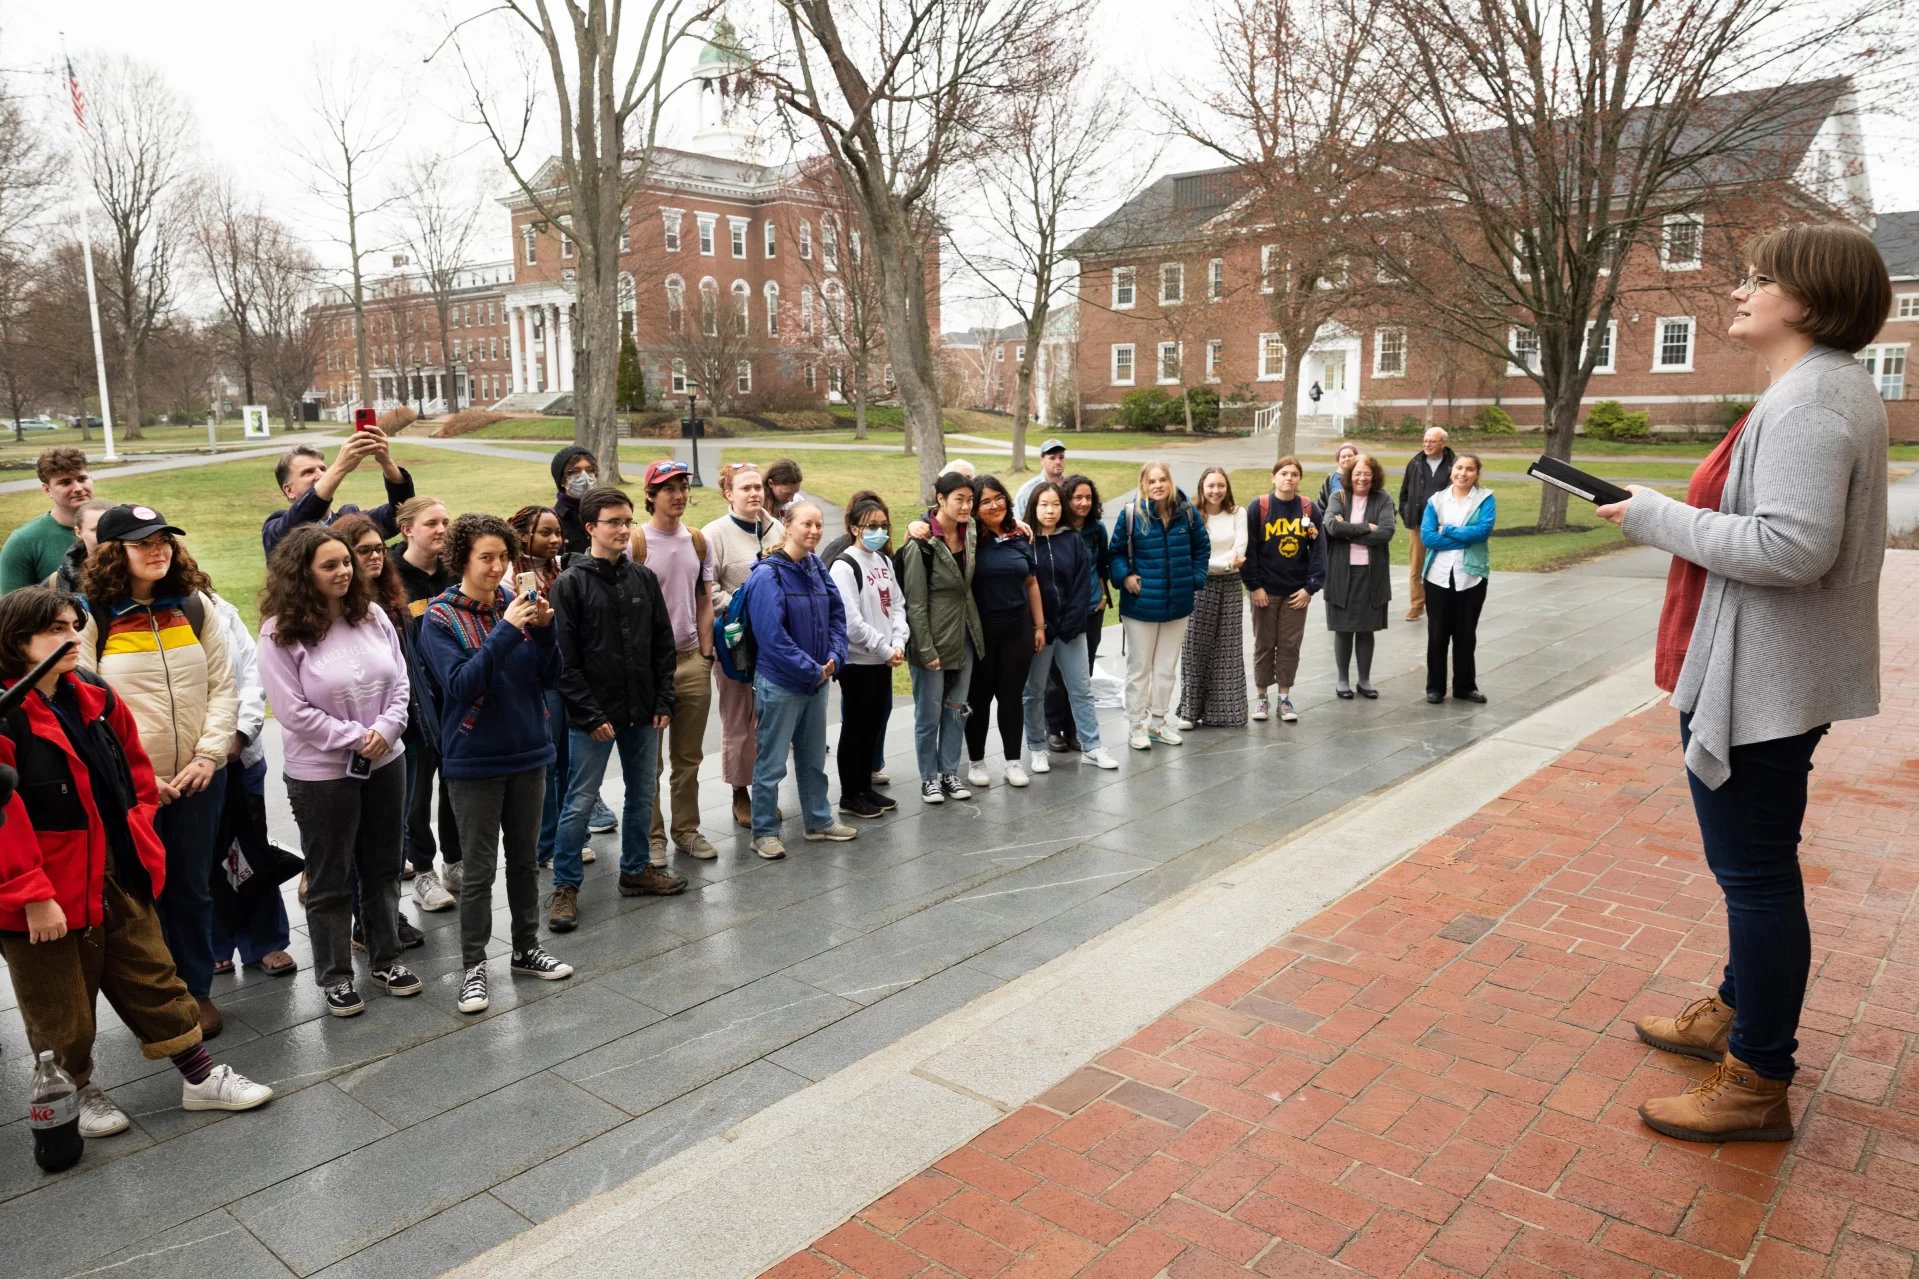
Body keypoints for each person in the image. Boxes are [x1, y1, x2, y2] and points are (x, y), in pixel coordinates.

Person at [1594, 224, 1890, 1143]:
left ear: (1806, 299)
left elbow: (1790, 547)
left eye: (1759, 279)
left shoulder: (1810, 403)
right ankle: (1734, 1008)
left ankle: (1758, 1076)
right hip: (1766, 668)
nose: (1738, 291)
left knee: (1756, 877)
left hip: (1762, 679)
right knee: (1756, 870)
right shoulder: (1816, 389)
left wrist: (1653, 518)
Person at [0, 587, 273, 1137]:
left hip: (114, 872)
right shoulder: (8, 716)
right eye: (55, 629)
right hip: (46, 891)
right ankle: (76, 1089)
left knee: (153, 973)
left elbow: (134, 769)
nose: (72, 636)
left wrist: (140, 827)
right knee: (60, 1003)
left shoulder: (92, 693)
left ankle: (199, 1078)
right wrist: (33, 896)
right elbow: (4, 818)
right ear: (16, 641)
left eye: (74, 624)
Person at [77, 505, 238, 1039]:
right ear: (112, 553)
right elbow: (85, 711)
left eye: (165, 539)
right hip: (129, 791)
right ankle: (153, 1000)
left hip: (196, 781)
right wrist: (138, 779)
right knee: (135, 899)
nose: (158, 549)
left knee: (192, 890)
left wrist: (208, 756)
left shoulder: (194, 607)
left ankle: (194, 992)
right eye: (143, 541)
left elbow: (224, 686)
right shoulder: (88, 617)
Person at [256, 526, 421, 1017]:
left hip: (388, 760)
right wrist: (357, 738)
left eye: (345, 562)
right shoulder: (279, 632)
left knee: (384, 865)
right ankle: (334, 977)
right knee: (330, 878)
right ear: (302, 574)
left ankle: (386, 957)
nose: (344, 571)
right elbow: (292, 711)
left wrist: (387, 731)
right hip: (323, 775)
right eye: (330, 565)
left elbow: (401, 682)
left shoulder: (371, 615)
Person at [417, 513, 572, 1015]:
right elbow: (461, 684)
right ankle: (474, 968)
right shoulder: (439, 618)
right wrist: (506, 631)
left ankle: (527, 949)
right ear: (462, 559)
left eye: (504, 557)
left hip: (529, 749)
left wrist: (546, 631)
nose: (497, 567)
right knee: (479, 871)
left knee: (526, 861)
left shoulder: (517, 605)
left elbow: (550, 675)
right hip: (474, 759)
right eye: (486, 558)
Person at [548, 486, 684, 931]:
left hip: (643, 711)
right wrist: (591, 715)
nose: (624, 529)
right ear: (590, 528)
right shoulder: (570, 584)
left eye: (628, 521)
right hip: (593, 718)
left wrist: (664, 698)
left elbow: (663, 645)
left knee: (643, 791)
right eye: (614, 522)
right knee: (579, 801)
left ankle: (635, 870)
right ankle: (565, 885)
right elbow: (563, 661)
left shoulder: (642, 577)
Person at [330, 514, 428, 954]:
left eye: (377, 549)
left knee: (393, 836)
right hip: (350, 745)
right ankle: (364, 922)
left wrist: (395, 725)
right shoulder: (340, 612)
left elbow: (402, 673)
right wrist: (367, 733)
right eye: (362, 551)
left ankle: (386, 916)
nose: (372, 557)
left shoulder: (386, 601)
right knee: (356, 842)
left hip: (401, 732)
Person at [742, 501, 855, 857]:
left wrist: (835, 657)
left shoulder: (816, 566)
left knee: (811, 758)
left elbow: (837, 615)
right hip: (781, 683)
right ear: (787, 526)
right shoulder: (767, 574)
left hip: (817, 681)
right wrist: (812, 669)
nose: (814, 531)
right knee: (772, 763)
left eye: (819, 525)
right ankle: (763, 832)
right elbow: (771, 637)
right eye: (807, 524)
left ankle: (819, 821)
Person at [205, 588, 297, 979]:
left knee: (249, 850)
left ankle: (264, 941)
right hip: (182, 764)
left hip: (239, 755)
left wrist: (239, 734)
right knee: (202, 858)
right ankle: (215, 942)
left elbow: (251, 672)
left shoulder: (214, 607)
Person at [630, 460, 718, 864]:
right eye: (669, 488)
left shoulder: (698, 541)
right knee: (650, 762)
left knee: (689, 758)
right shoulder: (635, 543)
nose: (679, 494)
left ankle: (687, 831)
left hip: (691, 663)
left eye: (683, 486)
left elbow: (704, 599)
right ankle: (653, 837)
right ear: (650, 495)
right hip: (649, 671)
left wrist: (705, 654)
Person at [510, 504, 601, 870]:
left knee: (571, 762)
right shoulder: (510, 577)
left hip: (573, 676)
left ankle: (573, 836)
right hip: (540, 681)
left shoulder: (566, 567)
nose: (555, 540)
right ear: (521, 535)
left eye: (558, 533)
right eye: (545, 532)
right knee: (548, 766)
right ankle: (546, 844)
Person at [703, 463, 785, 828]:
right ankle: (741, 791)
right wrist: (744, 602)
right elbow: (708, 591)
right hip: (735, 639)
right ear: (728, 493)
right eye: (745, 488)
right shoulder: (713, 535)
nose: (754, 494)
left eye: (757, 487)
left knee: (770, 717)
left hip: (775, 640)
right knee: (738, 719)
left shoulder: (776, 529)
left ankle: (767, 788)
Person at [389, 497, 461, 910]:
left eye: (445, 522)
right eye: (431, 522)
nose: (441, 529)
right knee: (416, 795)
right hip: (415, 709)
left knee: (455, 787)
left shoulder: (453, 572)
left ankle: (454, 861)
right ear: (407, 529)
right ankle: (423, 871)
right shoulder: (392, 577)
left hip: (454, 700)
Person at [1110, 461, 1209, 751]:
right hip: (1141, 605)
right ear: (1143, 484)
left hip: (1177, 604)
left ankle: (1158, 722)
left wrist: (1195, 578)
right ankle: (1135, 725)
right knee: (1139, 668)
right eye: (1151, 481)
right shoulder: (1131, 515)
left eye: (1162, 479)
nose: (1157, 485)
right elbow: (1115, 553)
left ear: (1170, 481)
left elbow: (1202, 547)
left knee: (1166, 668)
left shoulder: (1186, 513)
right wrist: (1125, 576)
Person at [901, 471, 985, 804]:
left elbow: (1001, 523)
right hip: (932, 639)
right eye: (959, 499)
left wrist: (1017, 526)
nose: (966, 506)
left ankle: (950, 771)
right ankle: (929, 777)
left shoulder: (973, 531)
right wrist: (924, 648)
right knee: (929, 712)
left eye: (970, 499)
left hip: (965, 633)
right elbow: (915, 603)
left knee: (956, 707)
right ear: (941, 500)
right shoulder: (921, 543)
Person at [1022, 482, 1117, 773]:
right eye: (1043, 505)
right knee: (1034, 691)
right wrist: (1043, 624)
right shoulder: (1024, 541)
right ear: (1033, 508)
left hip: (1072, 629)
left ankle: (1092, 746)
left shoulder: (1072, 540)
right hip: (1040, 630)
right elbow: (1026, 585)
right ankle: (1037, 747)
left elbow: (1080, 585)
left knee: (1081, 689)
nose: (1050, 511)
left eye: (1055, 505)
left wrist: (1071, 622)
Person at [829, 496, 909, 818]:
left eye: (883, 526)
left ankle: (865, 788)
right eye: (871, 526)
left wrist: (899, 640)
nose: (879, 531)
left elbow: (898, 605)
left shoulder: (884, 562)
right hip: (859, 663)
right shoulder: (845, 565)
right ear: (854, 529)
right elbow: (850, 622)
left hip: (883, 659)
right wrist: (886, 648)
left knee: (873, 726)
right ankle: (850, 795)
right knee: (856, 729)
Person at [963, 476, 1044, 790]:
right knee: (978, 699)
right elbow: (936, 515)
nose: (994, 505)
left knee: (1012, 698)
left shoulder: (1019, 534)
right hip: (980, 634)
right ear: (974, 508)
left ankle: (1013, 762)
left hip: (1018, 631)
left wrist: (1039, 626)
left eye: (998, 498)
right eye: (985, 501)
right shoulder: (967, 537)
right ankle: (977, 761)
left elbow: (1032, 582)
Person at [1242, 457, 1326, 724]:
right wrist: (1254, 586)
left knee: (1290, 645)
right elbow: (1248, 550)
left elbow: (1319, 551)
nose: (1289, 478)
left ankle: (1284, 698)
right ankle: (1262, 697)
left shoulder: (1308, 509)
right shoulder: (1259, 507)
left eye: (1294, 474)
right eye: (1284, 474)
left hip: (1295, 593)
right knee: (1264, 644)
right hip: (1264, 591)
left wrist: (1310, 588)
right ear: (1273, 477)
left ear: (1299, 479)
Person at [261, 431, 415, 556]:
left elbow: (402, 511)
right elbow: (300, 520)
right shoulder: (275, 529)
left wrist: (385, 460)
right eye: (308, 472)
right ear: (289, 490)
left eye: (323, 469)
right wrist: (340, 466)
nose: (321, 475)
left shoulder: (350, 520)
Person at [1176, 467, 1250, 729]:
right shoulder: (1191, 516)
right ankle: (1189, 711)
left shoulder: (1238, 513)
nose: (1216, 491)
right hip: (1199, 587)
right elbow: (1189, 557)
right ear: (1201, 488)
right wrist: (1221, 564)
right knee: (1195, 647)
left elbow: (1239, 553)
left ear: (1227, 487)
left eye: (1221, 485)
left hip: (1230, 587)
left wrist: (1210, 564)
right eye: (1211, 486)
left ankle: (1225, 712)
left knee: (1228, 648)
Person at [1421, 455, 1495, 705]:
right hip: (1438, 576)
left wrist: (1449, 530)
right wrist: (1464, 537)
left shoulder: (1485, 499)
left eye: (1470, 469)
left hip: (1470, 576)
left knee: (1466, 634)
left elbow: (1482, 531)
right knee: (1438, 633)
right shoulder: (1436, 500)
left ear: (1476, 473)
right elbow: (1429, 538)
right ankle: (1435, 688)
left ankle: (1465, 686)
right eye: (1459, 468)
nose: (1463, 473)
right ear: (1451, 470)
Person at [1044, 476, 1111, 754]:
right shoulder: (1057, 530)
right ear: (1066, 499)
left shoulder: (1097, 530)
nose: (1083, 503)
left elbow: (1104, 565)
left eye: (1088, 498)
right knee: (1055, 674)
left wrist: (1105, 596)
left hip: (1091, 610)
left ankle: (1073, 729)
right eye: (1077, 498)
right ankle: (1052, 727)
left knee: (1083, 672)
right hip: (1061, 610)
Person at [1323, 455, 1396, 699]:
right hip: (1342, 573)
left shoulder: (1383, 498)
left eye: (1366, 473)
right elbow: (1332, 526)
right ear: (1349, 475)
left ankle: (1364, 680)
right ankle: (1342, 680)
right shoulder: (1338, 497)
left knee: (1366, 629)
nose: (1362, 478)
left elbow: (1386, 532)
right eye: (1357, 473)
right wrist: (1367, 527)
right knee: (1343, 629)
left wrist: (1348, 532)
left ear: (1374, 475)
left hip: (1371, 573)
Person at [2, 447, 94, 594]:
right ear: (47, 490)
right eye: (65, 482)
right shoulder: (23, 541)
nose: (77, 488)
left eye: (82, 479)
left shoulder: (118, 526)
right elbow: (12, 610)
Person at [1398, 428, 1456, 622]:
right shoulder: (1415, 463)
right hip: (1419, 524)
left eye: (1432, 441)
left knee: (1445, 564)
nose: (1427, 445)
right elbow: (1404, 492)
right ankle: (1417, 605)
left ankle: (1443, 604)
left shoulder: (1454, 464)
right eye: (1425, 441)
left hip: (1444, 526)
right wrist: (1407, 514)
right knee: (1417, 566)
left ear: (1443, 443)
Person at [48, 499, 115, 594]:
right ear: (78, 532)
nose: (105, 535)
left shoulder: (140, 573)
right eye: (96, 529)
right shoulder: (56, 583)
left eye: (111, 528)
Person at [549, 446, 598, 554]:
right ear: (562, 480)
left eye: (590, 470)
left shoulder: (603, 514)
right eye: (575, 472)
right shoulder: (552, 519)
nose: (584, 476)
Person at [1012, 439, 1068, 517]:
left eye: (1061, 457)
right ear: (1042, 461)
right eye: (1052, 458)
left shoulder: (1072, 487)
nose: (1058, 462)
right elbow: (1018, 521)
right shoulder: (1027, 491)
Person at [1315, 441, 1360, 510]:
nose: (1347, 459)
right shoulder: (1330, 480)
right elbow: (1321, 505)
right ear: (1338, 460)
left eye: (1350, 456)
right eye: (1343, 456)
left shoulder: (1361, 478)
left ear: (1356, 458)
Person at [762, 457, 808, 523]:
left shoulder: (798, 502)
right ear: (771, 483)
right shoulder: (758, 504)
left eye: (794, 493)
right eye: (786, 494)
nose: (791, 499)